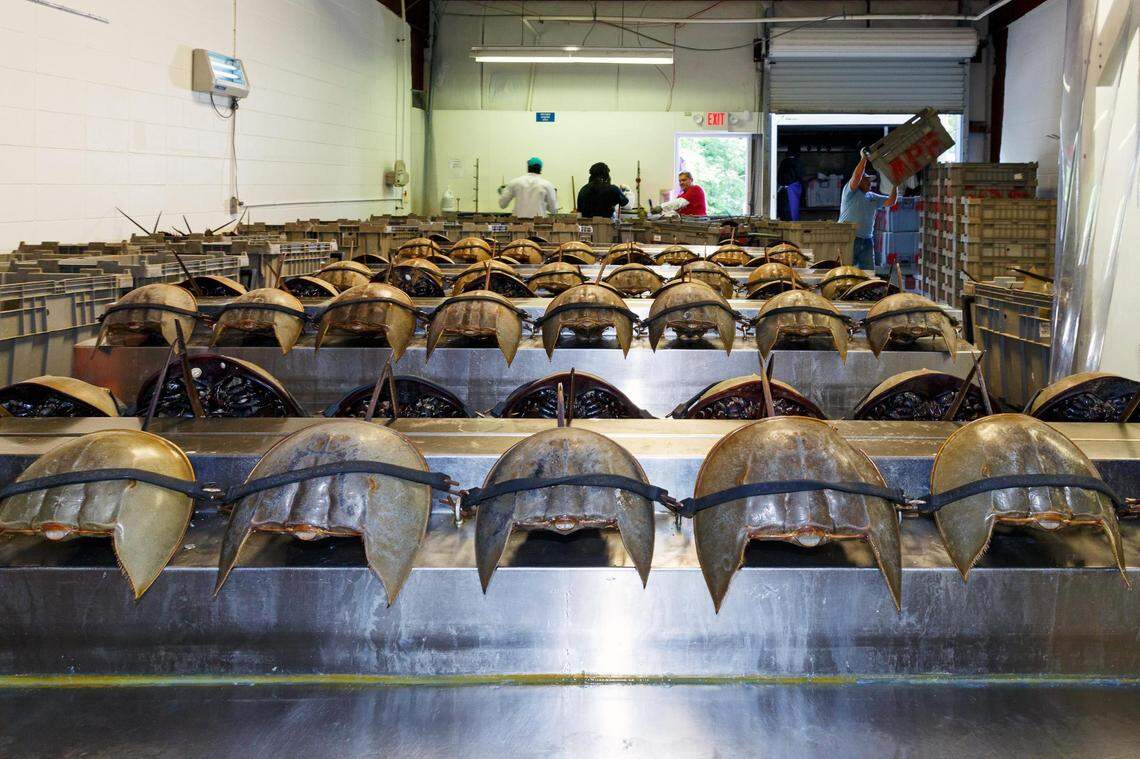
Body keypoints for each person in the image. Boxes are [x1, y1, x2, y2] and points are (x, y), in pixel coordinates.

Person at [838, 150, 897, 269]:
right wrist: (864, 158)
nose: (870, 183)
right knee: (845, 271)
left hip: (867, 240)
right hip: (849, 239)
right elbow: (856, 176)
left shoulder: (872, 196)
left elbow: (891, 201)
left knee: (868, 274)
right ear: (860, 182)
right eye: (866, 180)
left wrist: (895, 184)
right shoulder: (850, 192)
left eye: (870, 181)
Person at [776, 148, 808, 221]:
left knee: (783, 213)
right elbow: (803, 177)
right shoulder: (797, 162)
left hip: (782, 191)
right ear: (798, 154)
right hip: (791, 191)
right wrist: (816, 175)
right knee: (792, 214)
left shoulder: (783, 162)